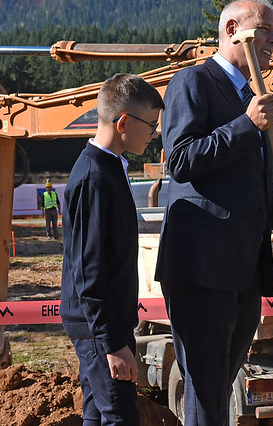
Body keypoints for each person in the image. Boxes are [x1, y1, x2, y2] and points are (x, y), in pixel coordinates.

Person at [155, 0, 273, 426]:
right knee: (206, 390)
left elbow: (241, 178)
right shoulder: (192, 83)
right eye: (264, 30)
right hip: (201, 268)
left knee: (219, 387)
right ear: (233, 30)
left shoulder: (251, 94)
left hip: (242, 270)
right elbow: (181, 160)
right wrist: (246, 124)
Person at [60, 73, 164, 426]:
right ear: (123, 122)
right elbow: (90, 270)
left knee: (97, 414)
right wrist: (113, 343)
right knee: (120, 415)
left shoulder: (106, 168)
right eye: (151, 124)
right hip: (98, 327)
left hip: (98, 324)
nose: (154, 134)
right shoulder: (95, 177)